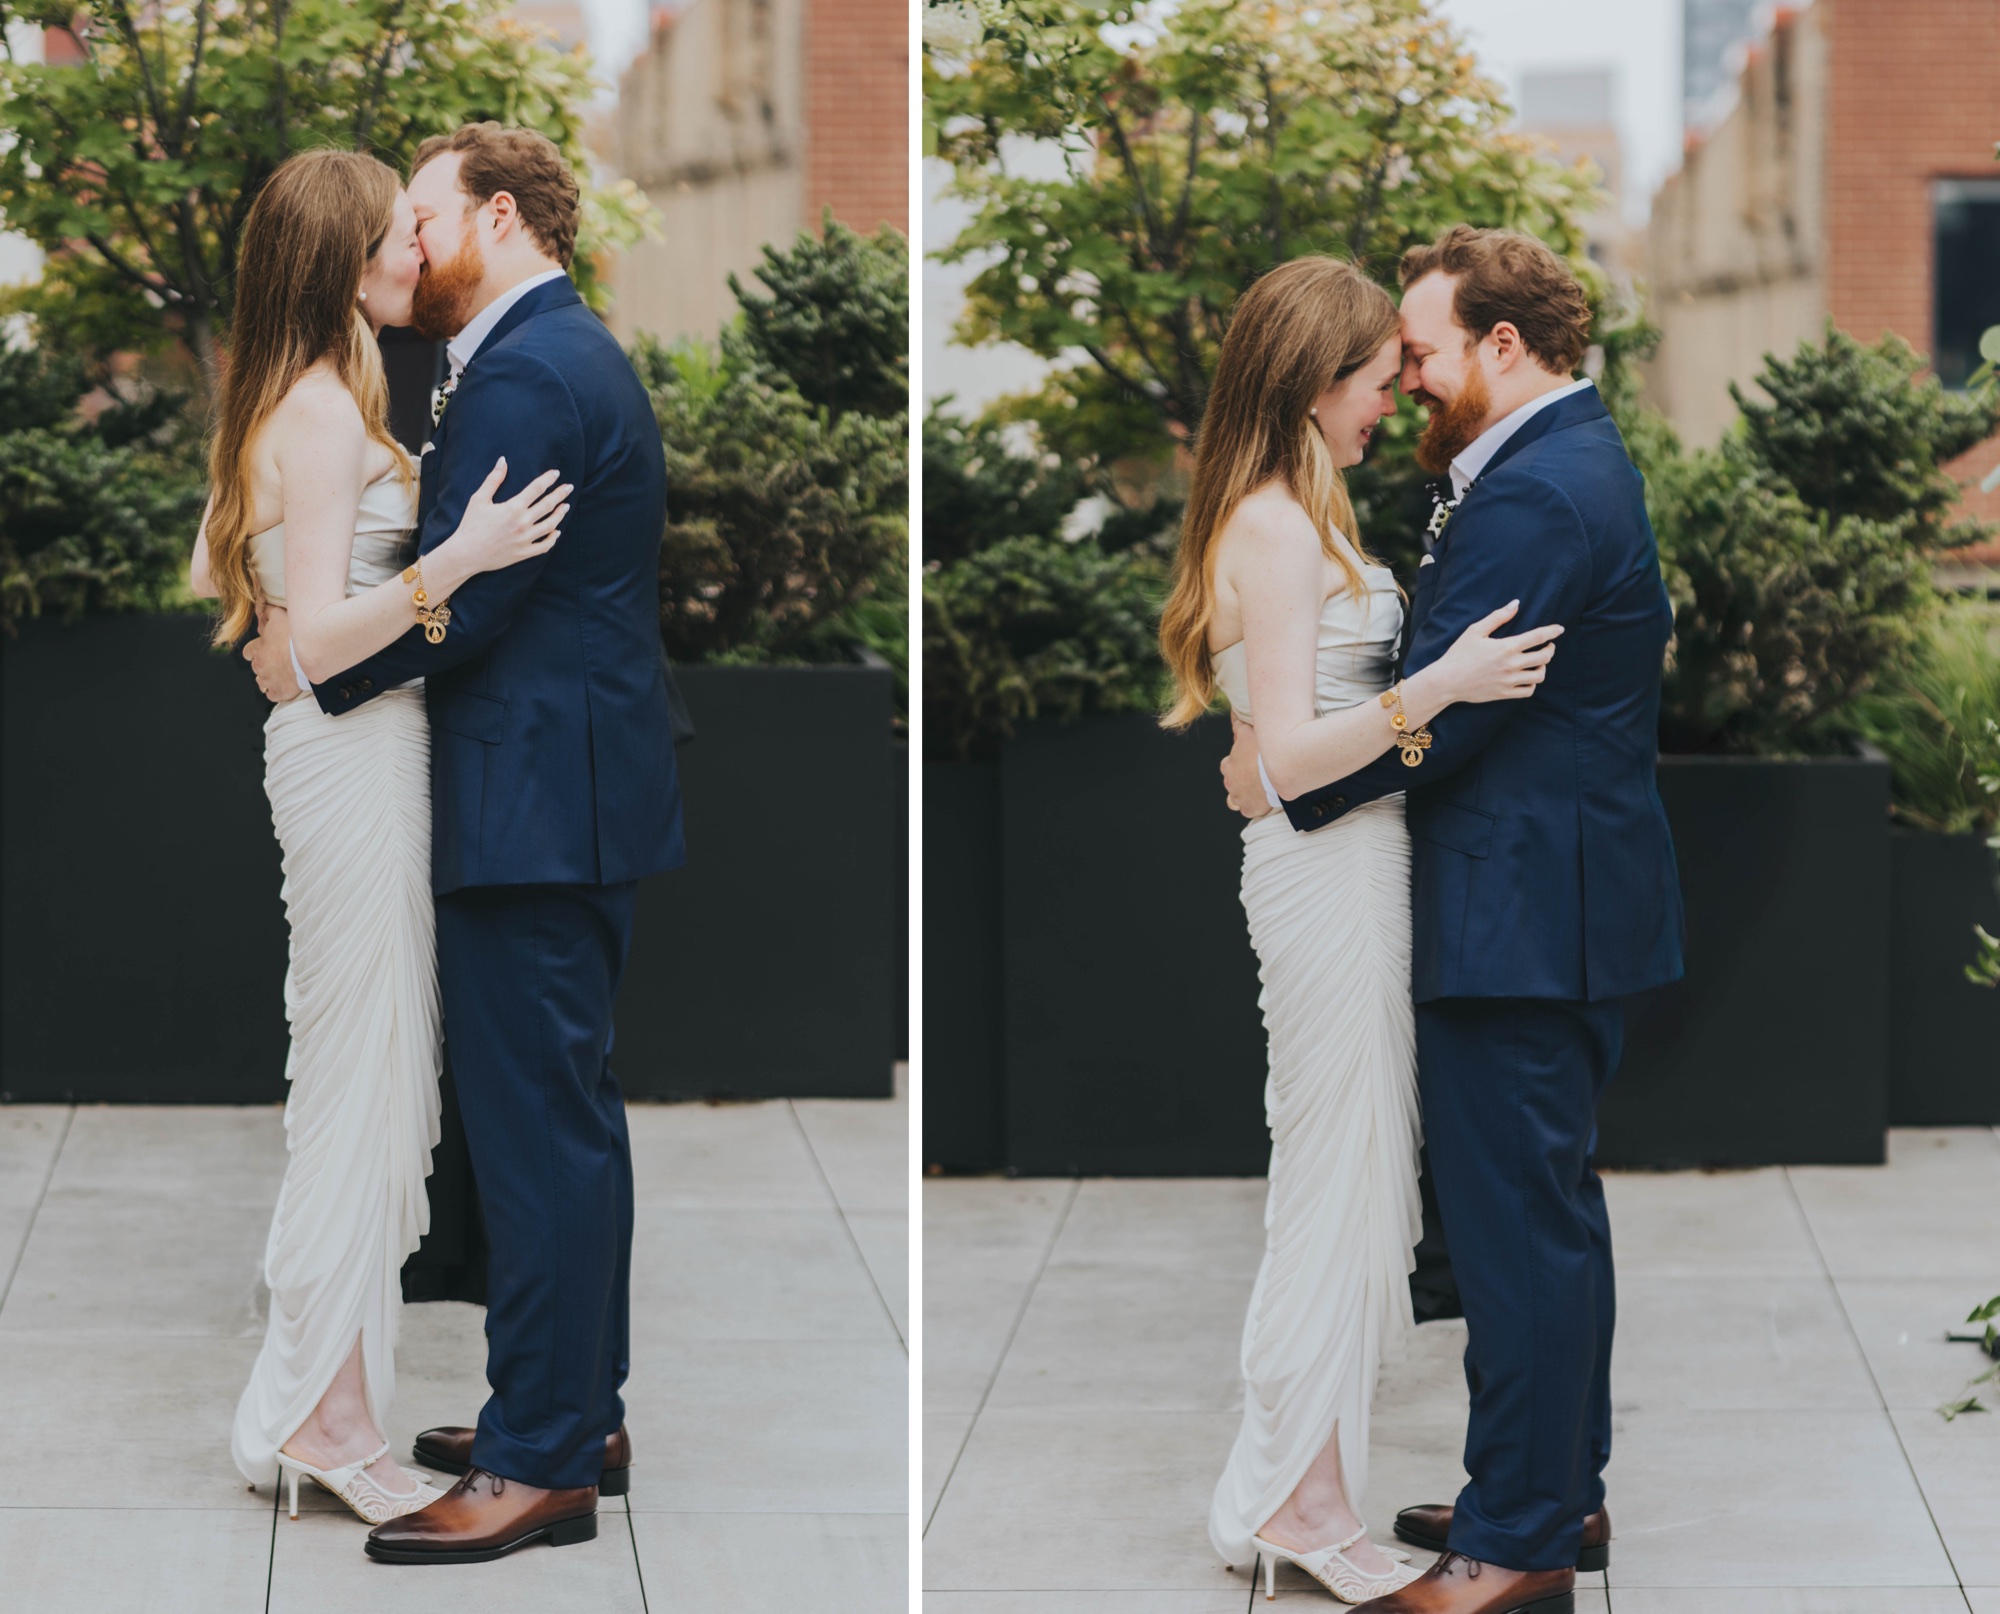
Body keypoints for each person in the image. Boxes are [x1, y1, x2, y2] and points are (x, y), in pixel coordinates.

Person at [1220, 226, 1686, 1614]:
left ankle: (1519, 1540)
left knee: (1515, 1228)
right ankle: (1555, 1482)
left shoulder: (1539, 493)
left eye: (1418, 352)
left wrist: (1278, 778)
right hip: (1546, 896)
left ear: (1502, 344)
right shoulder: (1541, 464)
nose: (1405, 379)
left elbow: (1459, 715)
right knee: (1547, 1213)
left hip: (1521, 907)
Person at [1158, 254, 1566, 1604]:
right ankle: (1302, 1503)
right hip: (1323, 874)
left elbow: (1267, 741)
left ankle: (1291, 1485)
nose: (1393, 402)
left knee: (1351, 1179)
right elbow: (1283, 760)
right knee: (1331, 1186)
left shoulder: (1297, 511)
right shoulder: (1275, 526)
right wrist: (1436, 686)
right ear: (1317, 382)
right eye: (1380, 383)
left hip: (1354, 863)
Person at [191, 148, 570, 1525]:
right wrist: (456, 559)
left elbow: (300, 641)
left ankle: (320, 1402)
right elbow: (313, 649)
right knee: (353, 1080)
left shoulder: (339, 392)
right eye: (400, 232)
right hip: (349, 762)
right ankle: (325, 1419)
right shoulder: (309, 408)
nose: (421, 247)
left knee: (372, 1071)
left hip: (377, 754)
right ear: (350, 256)